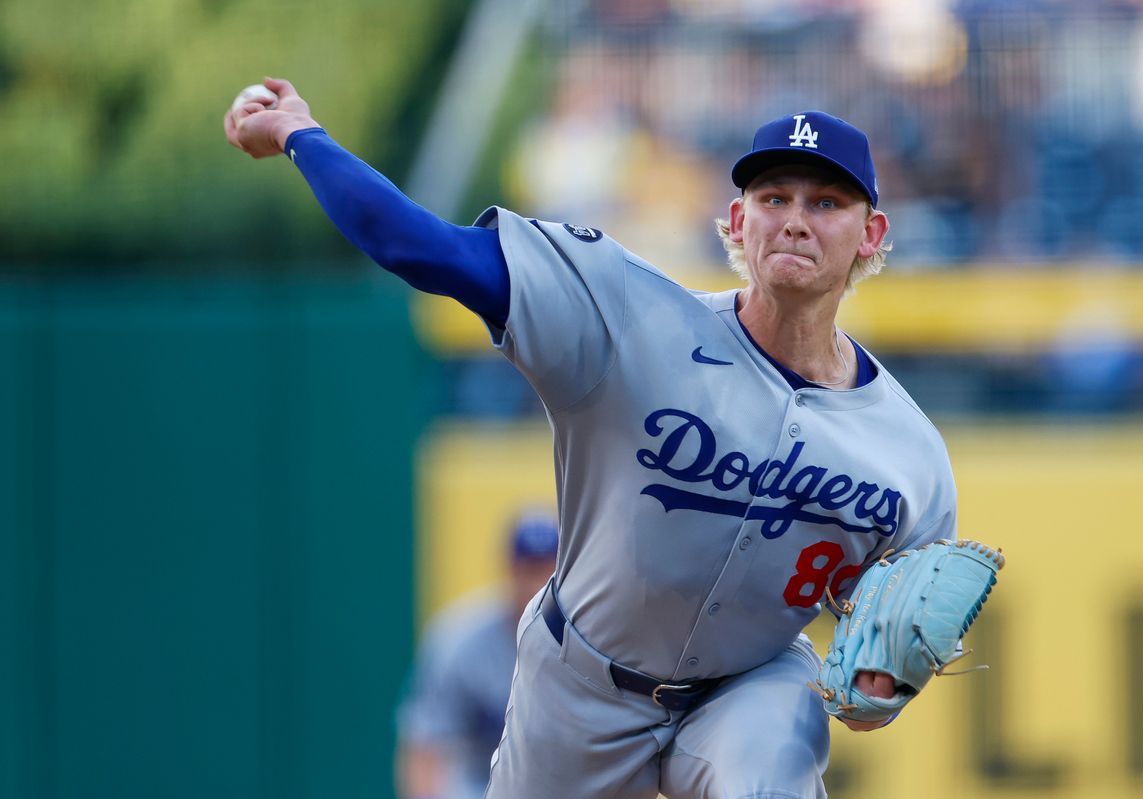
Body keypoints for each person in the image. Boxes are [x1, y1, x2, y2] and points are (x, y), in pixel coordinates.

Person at [226, 79, 958, 799]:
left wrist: (883, 681)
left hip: (752, 684)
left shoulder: (909, 454)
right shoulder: (627, 314)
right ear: (737, 220)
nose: (796, 219)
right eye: (775, 198)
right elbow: (423, 247)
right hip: (582, 683)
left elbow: (893, 631)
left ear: (871, 233)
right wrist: (301, 137)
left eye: (826, 202)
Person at [394, 511, 558, 799]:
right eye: (529, 570)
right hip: (476, 786)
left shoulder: (583, 643)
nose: (537, 584)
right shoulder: (459, 639)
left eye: (547, 570)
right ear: (510, 569)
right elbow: (424, 747)